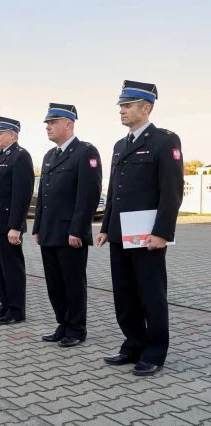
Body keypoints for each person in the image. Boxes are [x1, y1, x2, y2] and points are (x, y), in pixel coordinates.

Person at [96, 80, 184, 376]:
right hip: (122, 232)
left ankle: (155, 352)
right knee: (124, 293)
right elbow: (115, 191)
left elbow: (172, 190)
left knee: (151, 294)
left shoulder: (164, 140)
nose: (122, 110)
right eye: (121, 105)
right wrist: (106, 227)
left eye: (128, 105)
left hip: (147, 235)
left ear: (146, 108)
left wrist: (162, 232)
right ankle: (133, 343)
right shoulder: (120, 145)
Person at [33, 103, 102, 348]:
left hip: (70, 233)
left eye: (52, 122)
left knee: (73, 283)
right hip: (50, 231)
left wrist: (78, 230)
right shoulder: (50, 156)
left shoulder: (85, 152)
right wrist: (38, 227)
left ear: (69, 124)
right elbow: (44, 196)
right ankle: (62, 323)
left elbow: (88, 195)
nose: (48, 127)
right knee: (54, 283)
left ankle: (76, 328)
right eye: (47, 123)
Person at [0, 116, 34, 325]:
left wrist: (15, 226)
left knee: (12, 268)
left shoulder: (21, 156)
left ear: (12, 135)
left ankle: (16, 310)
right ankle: (5, 303)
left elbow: (21, 195)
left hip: (7, 225)